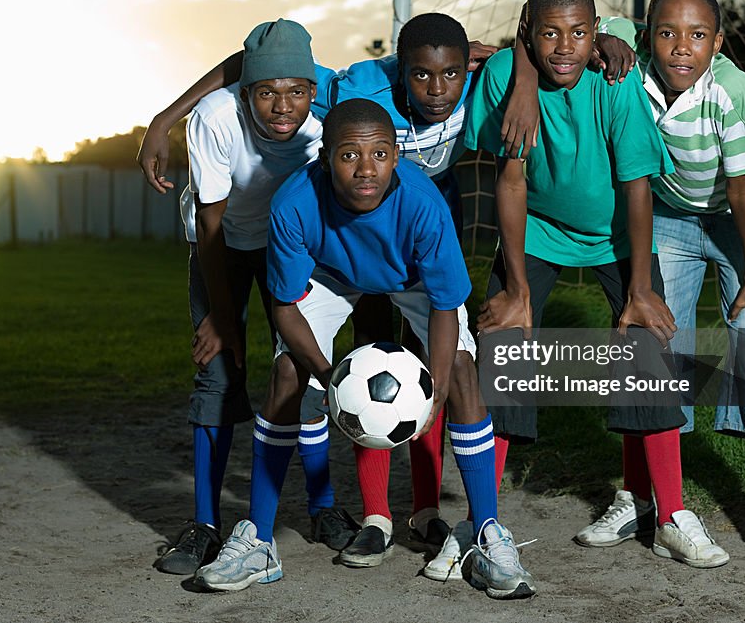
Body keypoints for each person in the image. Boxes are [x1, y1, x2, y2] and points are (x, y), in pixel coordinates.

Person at [194, 98, 537, 600]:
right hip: (329, 275)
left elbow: (444, 306)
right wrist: (329, 375)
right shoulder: (294, 203)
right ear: (325, 158)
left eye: (379, 153)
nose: (365, 168)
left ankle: (486, 533)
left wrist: (435, 390)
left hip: (411, 278)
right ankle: (258, 541)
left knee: (463, 370)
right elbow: (285, 306)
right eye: (349, 155)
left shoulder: (423, 204)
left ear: (396, 155)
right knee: (288, 372)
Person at [467, 0, 730, 569]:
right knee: (502, 348)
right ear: (527, 34)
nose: (565, 46)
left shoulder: (617, 82)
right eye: (550, 34)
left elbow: (637, 188)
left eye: (580, 33)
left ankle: (669, 515)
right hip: (535, 229)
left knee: (647, 346)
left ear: (597, 35)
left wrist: (638, 289)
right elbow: (508, 182)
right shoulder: (506, 80)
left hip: (615, 235)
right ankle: (484, 524)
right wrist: (516, 289)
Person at [597, 0, 745, 567]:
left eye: (697, 36)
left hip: (742, 215)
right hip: (669, 215)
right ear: (647, 37)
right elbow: (570, 30)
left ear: (717, 43)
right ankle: (637, 497)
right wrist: (591, 39)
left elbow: (741, 187)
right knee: (651, 343)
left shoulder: (732, 89)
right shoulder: (627, 54)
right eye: (666, 34)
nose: (680, 48)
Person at [152, 19, 358, 578]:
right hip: (221, 245)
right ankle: (205, 525)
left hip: (290, 246)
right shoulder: (215, 119)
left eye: (295, 91)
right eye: (266, 93)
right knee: (217, 374)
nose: (281, 106)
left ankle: (323, 507)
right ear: (246, 94)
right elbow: (212, 226)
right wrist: (224, 318)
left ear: (313, 89)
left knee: (301, 370)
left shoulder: (329, 121)